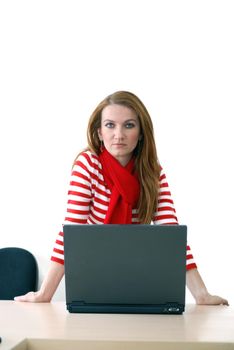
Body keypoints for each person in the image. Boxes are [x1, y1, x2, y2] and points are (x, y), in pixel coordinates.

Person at [14, 90, 228, 305]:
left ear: (141, 132)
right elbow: (71, 234)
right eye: (110, 125)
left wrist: (202, 295)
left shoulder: (153, 171)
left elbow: (172, 237)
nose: (119, 134)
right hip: (94, 275)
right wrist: (45, 294)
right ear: (99, 132)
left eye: (128, 125)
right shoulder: (88, 165)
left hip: (139, 274)